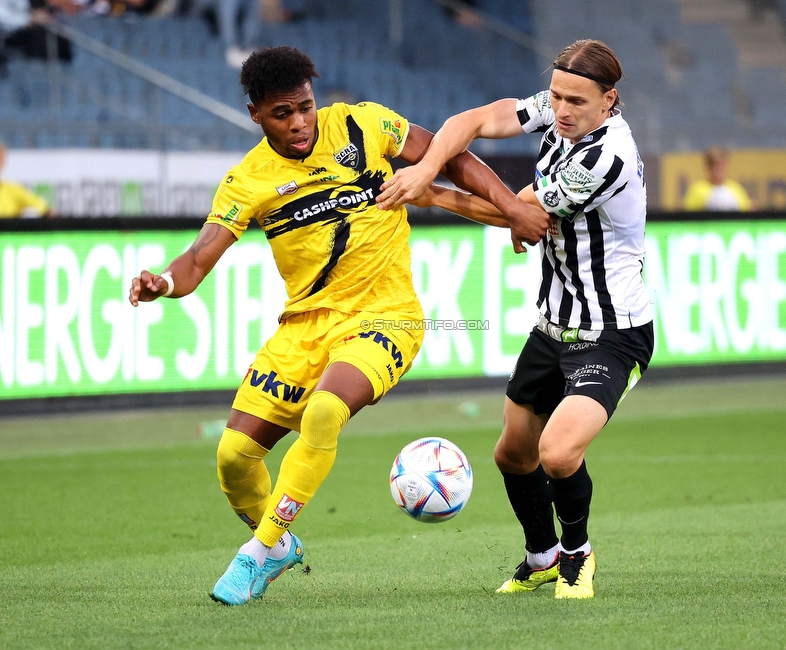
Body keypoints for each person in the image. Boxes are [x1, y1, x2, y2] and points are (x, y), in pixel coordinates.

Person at [128, 45, 547, 606]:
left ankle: (256, 555)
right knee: (233, 457)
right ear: (256, 115)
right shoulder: (247, 181)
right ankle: (276, 546)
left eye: (305, 107)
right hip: (303, 329)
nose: (299, 123)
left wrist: (510, 207)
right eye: (282, 113)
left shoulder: (364, 123)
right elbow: (198, 259)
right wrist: (165, 282)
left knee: (325, 411)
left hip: (385, 315)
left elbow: (450, 158)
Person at [376, 39, 654, 600]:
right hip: (553, 326)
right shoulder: (559, 111)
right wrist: (430, 164)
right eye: (556, 95)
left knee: (557, 453)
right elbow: (473, 120)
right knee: (512, 454)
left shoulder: (607, 158)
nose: (562, 109)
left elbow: (523, 216)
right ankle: (542, 554)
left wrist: (430, 194)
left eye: (577, 100)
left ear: (610, 101)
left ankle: (577, 553)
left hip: (611, 335)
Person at [682, 145, 753, 211]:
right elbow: (688, 219)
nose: (717, 168)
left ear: (727, 164)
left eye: (720, 164)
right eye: (713, 164)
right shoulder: (696, 191)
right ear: (706, 166)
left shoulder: (736, 190)